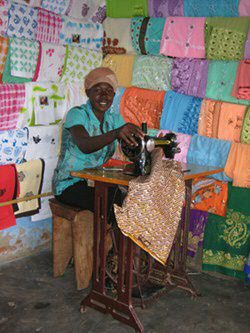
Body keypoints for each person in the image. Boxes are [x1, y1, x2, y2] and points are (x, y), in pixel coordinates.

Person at [52, 67, 144, 213]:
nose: (104, 96)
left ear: (114, 95)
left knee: (134, 198)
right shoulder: (77, 114)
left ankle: (117, 235)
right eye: (97, 90)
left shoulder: (114, 119)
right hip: (69, 184)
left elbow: (130, 142)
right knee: (116, 205)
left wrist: (141, 144)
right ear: (88, 92)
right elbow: (85, 145)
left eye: (108, 91)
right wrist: (116, 133)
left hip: (95, 181)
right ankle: (105, 235)